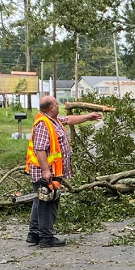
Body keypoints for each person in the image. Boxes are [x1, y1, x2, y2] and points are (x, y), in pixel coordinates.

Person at [25, 96, 103, 247]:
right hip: (48, 171)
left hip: (53, 170)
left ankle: (34, 234)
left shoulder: (53, 120)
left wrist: (88, 117)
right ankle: (47, 237)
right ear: (51, 108)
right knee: (48, 202)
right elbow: (40, 149)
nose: (58, 106)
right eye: (56, 104)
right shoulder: (43, 124)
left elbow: (68, 119)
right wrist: (46, 171)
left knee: (40, 200)